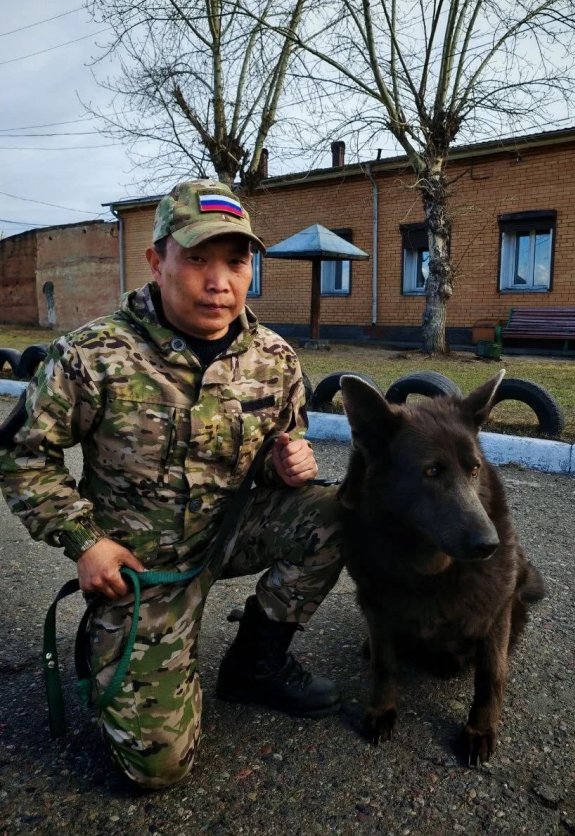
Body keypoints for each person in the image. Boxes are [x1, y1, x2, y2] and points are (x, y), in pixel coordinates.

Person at [0, 179, 344, 789]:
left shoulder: (275, 358)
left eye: (236, 262)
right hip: (141, 569)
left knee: (342, 512)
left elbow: (274, 456)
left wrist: (287, 467)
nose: (219, 282)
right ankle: (113, 643)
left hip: (229, 536)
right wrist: (85, 542)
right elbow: (23, 454)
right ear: (156, 262)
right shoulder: (92, 355)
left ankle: (255, 664)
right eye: (197, 259)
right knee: (157, 768)